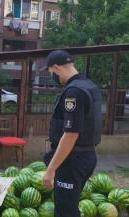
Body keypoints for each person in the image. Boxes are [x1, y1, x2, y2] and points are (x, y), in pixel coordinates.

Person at [40, 50, 102, 217]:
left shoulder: (74, 92)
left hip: (72, 160)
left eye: (51, 73)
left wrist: (51, 169)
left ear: (57, 67)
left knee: (65, 211)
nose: (52, 77)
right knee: (70, 207)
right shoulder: (89, 85)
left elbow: (70, 135)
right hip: (87, 156)